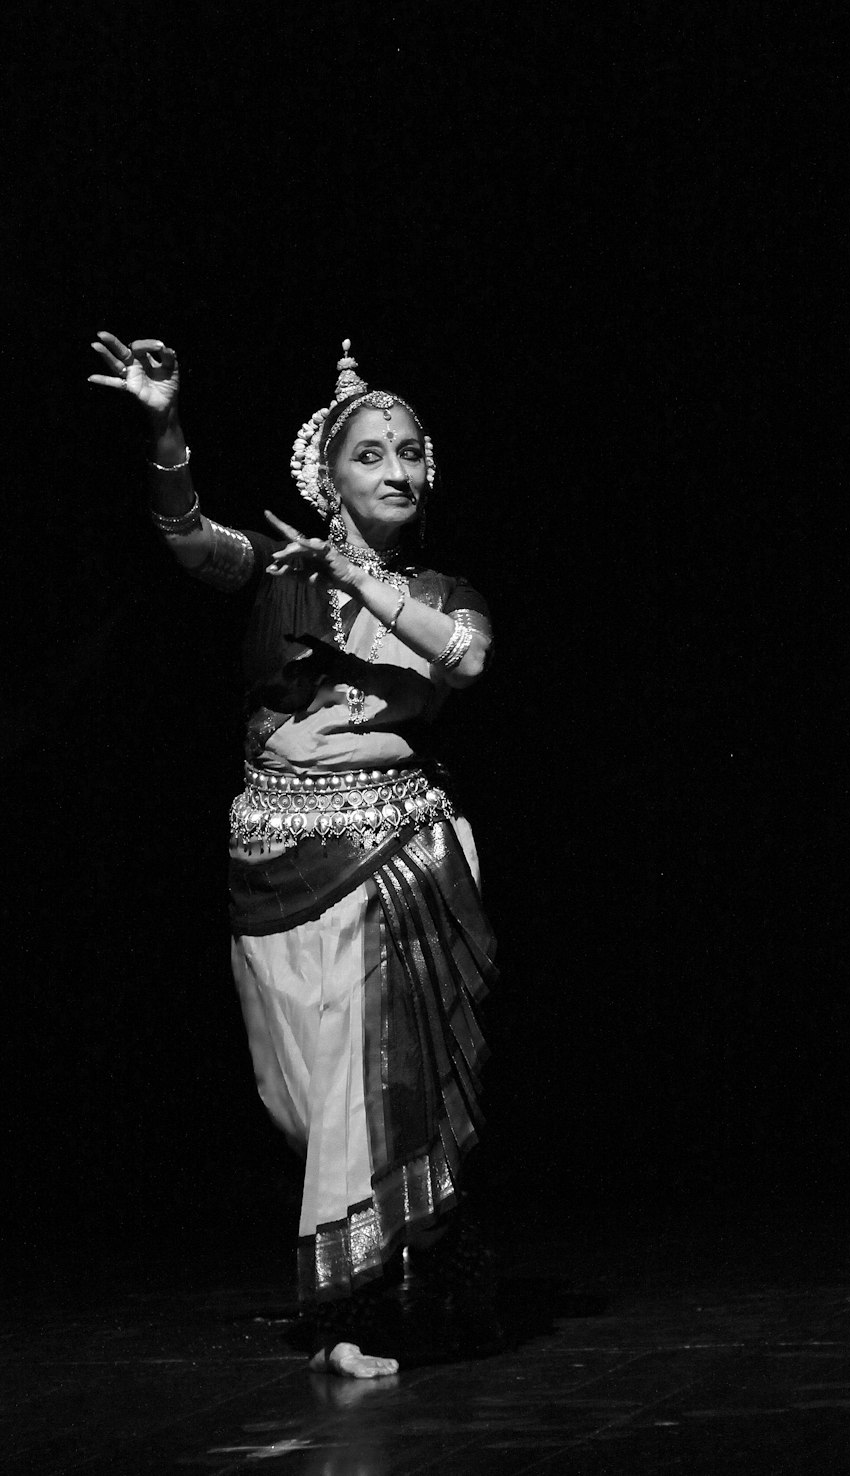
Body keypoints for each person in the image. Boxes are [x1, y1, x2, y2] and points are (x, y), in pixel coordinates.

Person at [89, 331, 499, 1378]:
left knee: (374, 1087)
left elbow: (465, 659)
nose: (401, 470)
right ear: (325, 476)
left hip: (394, 850)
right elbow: (185, 537)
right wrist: (165, 424)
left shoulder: (443, 590)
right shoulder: (275, 570)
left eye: (412, 452)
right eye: (372, 454)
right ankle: (386, 1279)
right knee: (301, 1103)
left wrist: (361, 584)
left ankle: (349, 1316)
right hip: (271, 856)